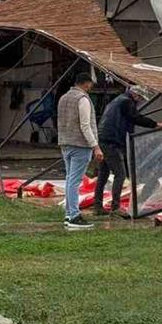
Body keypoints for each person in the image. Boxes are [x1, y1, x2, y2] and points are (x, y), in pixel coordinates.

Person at [95, 85, 162, 216]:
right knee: (120, 174)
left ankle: (98, 206)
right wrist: (156, 124)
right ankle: (115, 207)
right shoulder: (126, 101)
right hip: (112, 141)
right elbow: (135, 117)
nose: (139, 101)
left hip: (103, 139)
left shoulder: (118, 100)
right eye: (139, 98)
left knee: (103, 175)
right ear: (135, 95)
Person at [57, 75, 101, 230]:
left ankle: (69, 214)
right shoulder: (82, 99)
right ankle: (74, 215)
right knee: (74, 181)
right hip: (80, 145)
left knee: (70, 179)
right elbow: (85, 125)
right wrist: (95, 146)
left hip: (65, 142)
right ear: (86, 84)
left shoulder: (64, 98)